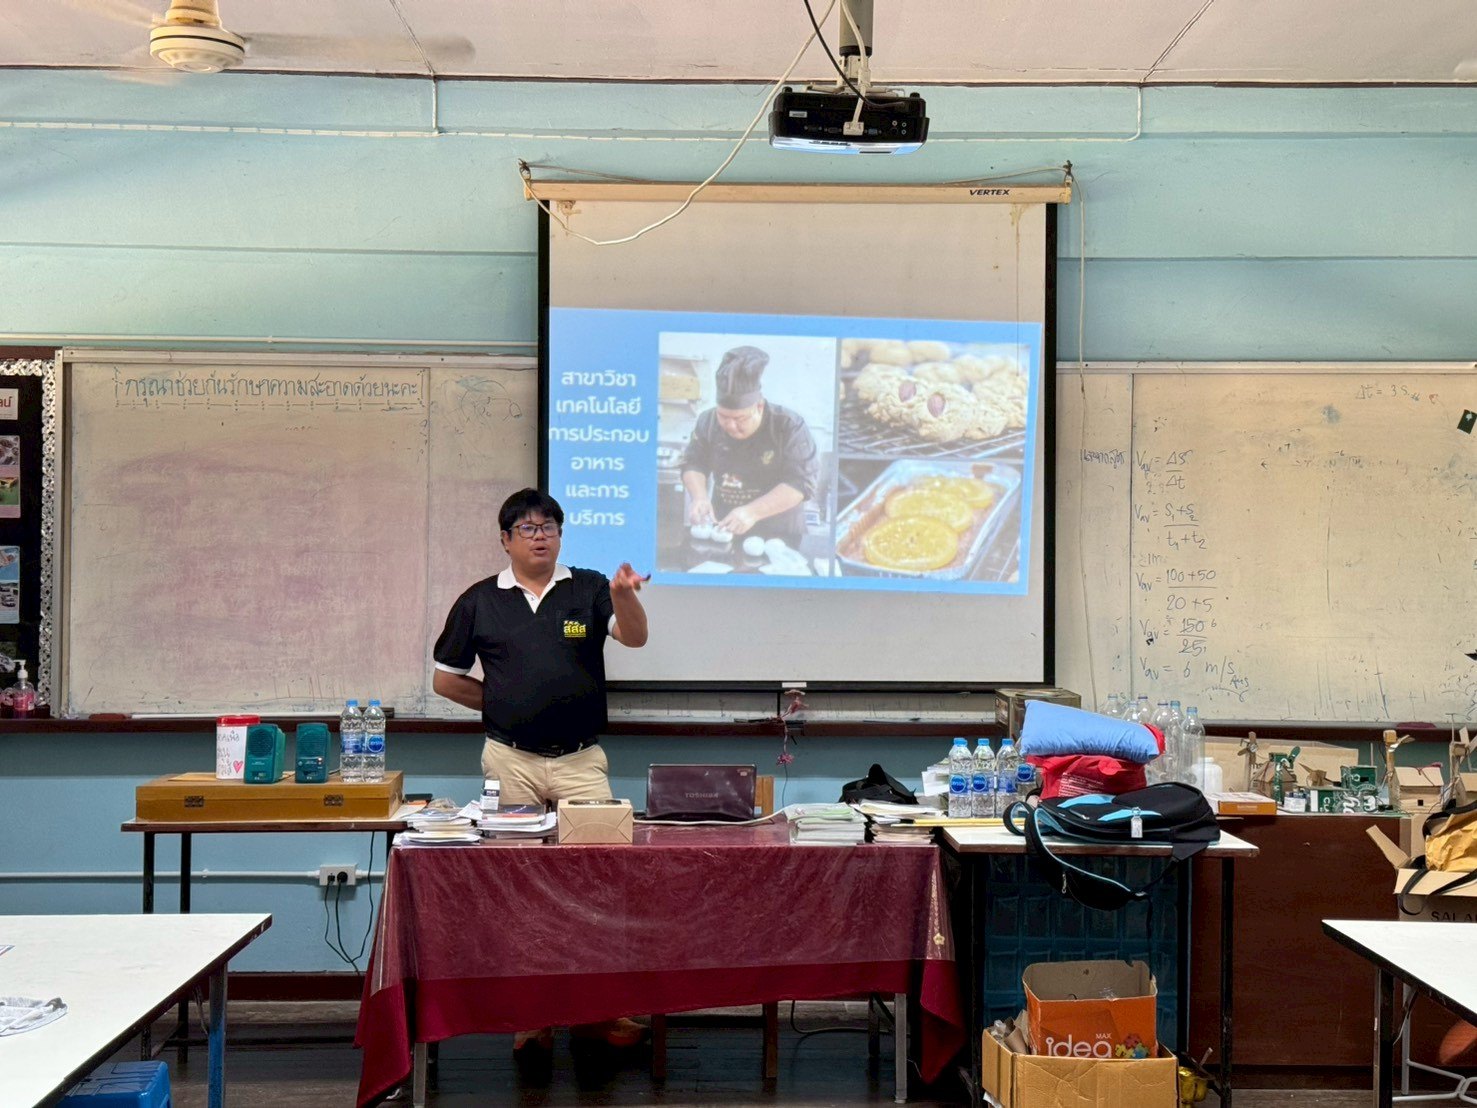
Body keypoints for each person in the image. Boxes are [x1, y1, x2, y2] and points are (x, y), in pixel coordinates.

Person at [431, 487, 649, 1060]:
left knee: (600, 886)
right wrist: (504, 703)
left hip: (581, 762)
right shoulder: (480, 600)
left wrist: (624, 596)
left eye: (549, 526)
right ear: (505, 540)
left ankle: (597, 1012)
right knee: (518, 891)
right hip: (511, 761)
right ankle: (532, 1018)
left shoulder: (590, 587)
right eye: (527, 528)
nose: (540, 535)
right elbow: (445, 678)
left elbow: (635, 636)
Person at [680, 345, 820, 548]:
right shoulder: (707, 421)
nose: (730, 425)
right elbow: (693, 462)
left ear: (759, 406)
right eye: (723, 416)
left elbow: (801, 483)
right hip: (724, 528)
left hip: (779, 535)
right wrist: (699, 497)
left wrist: (752, 512)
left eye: (740, 419)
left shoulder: (788, 425)